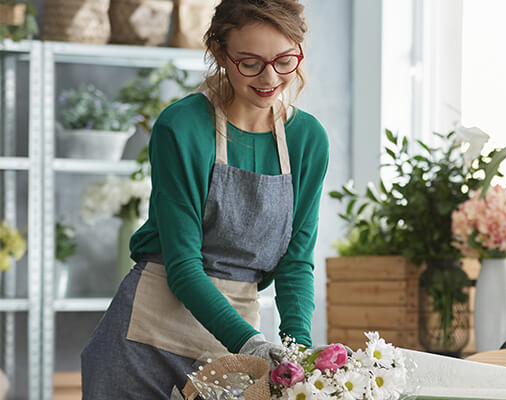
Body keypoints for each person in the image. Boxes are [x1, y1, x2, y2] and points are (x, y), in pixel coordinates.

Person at [81, 0, 328, 397]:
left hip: (232, 343)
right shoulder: (182, 127)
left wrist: (296, 354)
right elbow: (182, 265)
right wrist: (251, 344)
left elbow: (296, 262)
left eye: (284, 60)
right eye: (250, 62)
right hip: (144, 341)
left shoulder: (306, 139)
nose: (270, 77)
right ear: (219, 51)